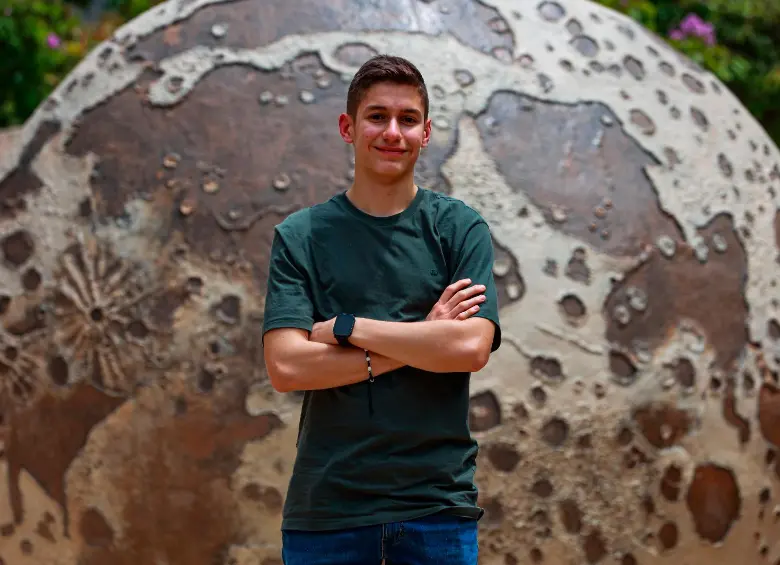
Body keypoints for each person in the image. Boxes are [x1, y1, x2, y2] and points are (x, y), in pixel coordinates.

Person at [262, 54, 502, 565]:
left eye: (407, 120)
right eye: (377, 117)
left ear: (426, 132)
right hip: (327, 514)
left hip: (437, 510)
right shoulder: (301, 236)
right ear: (348, 127)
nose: (392, 132)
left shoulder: (459, 230)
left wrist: (350, 329)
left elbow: (469, 346)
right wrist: (423, 338)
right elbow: (286, 366)